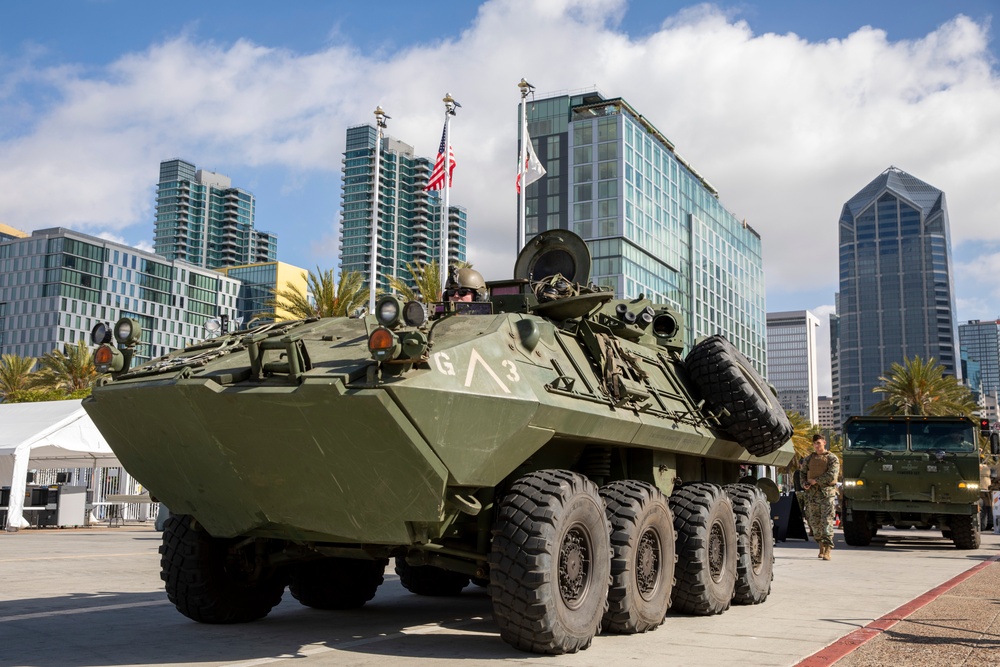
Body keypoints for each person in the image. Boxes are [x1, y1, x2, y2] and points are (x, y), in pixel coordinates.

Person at [800, 434, 840, 560]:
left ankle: (828, 549)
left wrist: (815, 481)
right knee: (814, 523)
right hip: (812, 495)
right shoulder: (808, 459)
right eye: (814, 443)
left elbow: (831, 474)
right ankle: (821, 545)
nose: (817, 446)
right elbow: (802, 473)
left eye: (818, 442)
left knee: (826, 521)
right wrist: (804, 484)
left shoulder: (832, 458)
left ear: (824, 442)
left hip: (826, 494)